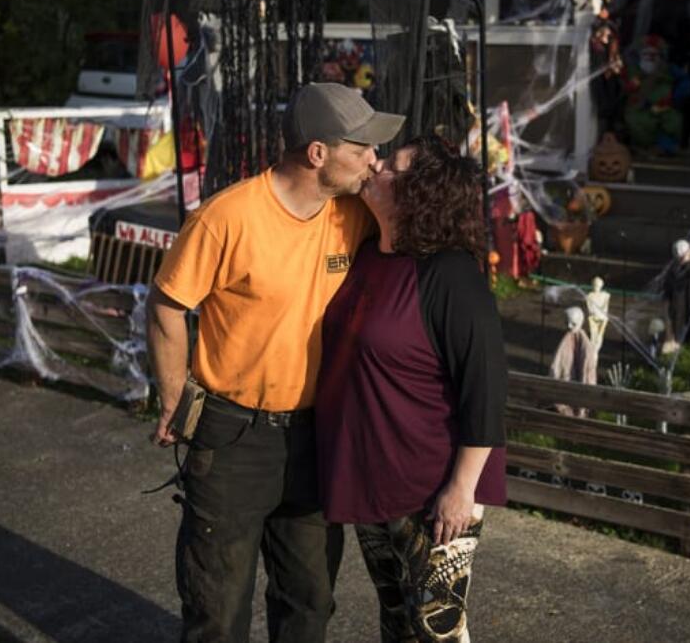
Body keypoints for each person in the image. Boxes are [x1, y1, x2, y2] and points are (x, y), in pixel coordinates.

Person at [147, 82, 404, 643]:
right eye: (362, 150)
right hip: (233, 436)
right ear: (318, 154)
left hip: (317, 436)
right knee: (217, 607)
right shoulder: (228, 217)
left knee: (310, 602)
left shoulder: (352, 214)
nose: (373, 161)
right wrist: (174, 396)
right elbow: (168, 304)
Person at [315, 135, 508, 643]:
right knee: (396, 622)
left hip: (434, 489)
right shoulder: (367, 257)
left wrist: (461, 489)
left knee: (437, 628)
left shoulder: (451, 275)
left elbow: (485, 389)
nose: (375, 165)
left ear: (420, 194)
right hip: (373, 479)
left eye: (392, 167)